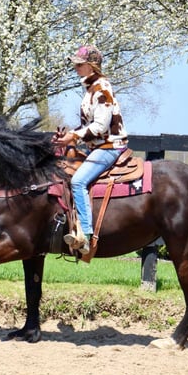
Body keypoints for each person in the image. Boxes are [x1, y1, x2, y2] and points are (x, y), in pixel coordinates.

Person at [53, 44, 128, 255]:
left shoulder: (101, 88)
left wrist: (73, 136)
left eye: (80, 64)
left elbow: (100, 127)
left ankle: (84, 236)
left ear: (92, 66)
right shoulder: (90, 89)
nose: (76, 67)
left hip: (109, 147)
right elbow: (89, 125)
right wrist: (67, 136)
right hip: (98, 147)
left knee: (78, 181)